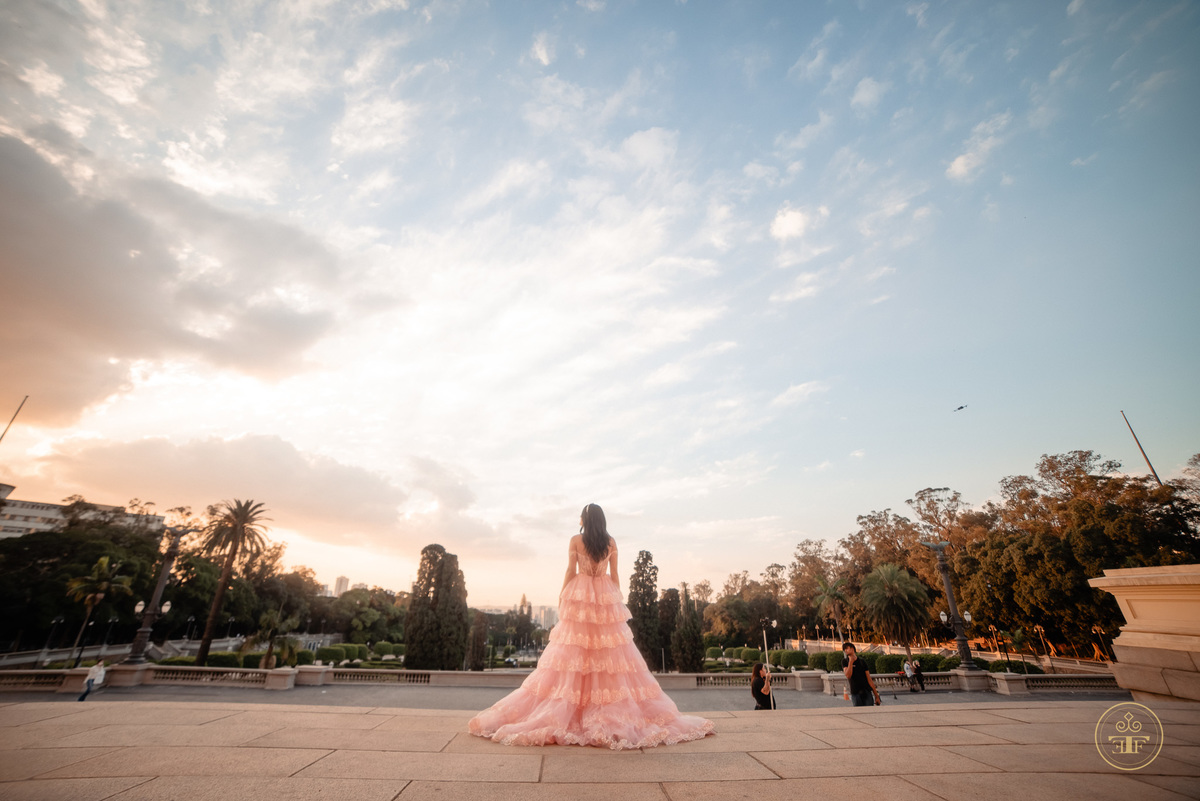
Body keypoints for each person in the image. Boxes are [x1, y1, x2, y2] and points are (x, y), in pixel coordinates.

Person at [469, 504, 715, 749]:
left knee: (574, 651)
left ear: (586, 519)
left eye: (580, 515)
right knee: (607, 654)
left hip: (581, 594)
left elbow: (570, 570)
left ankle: (574, 712)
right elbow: (616, 574)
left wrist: (563, 595)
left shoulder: (576, 540)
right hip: (604, 593)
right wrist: (615, 600)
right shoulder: (611, 542)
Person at [841, 642, 880, 707]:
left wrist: (876, 696)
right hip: (855, 693)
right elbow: (848, 675)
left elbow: (869, 679)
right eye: (844, 649)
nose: (845, 650)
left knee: (870, 712)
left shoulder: (862, 661)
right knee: (859, 713)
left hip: (866, 692)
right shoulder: (845, 661)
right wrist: (851, 662)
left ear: (852, 648)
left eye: (847, 648)